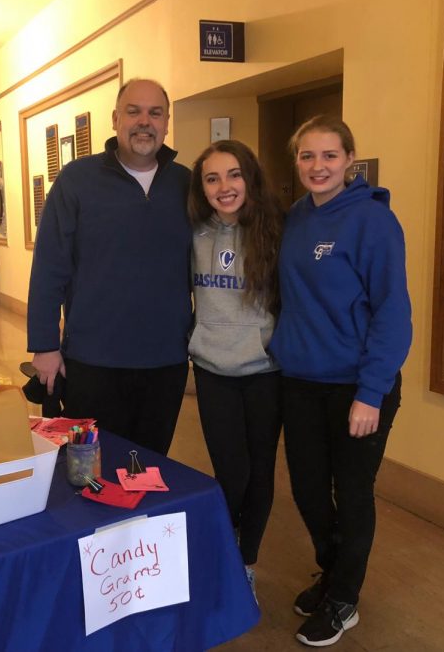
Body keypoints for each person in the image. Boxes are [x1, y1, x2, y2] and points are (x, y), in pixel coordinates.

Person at [269, 115, 412, 647]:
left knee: (351, 494)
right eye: (307, 156)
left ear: (350, 159)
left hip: (357, 386)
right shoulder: (295, 218)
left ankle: (345, 597)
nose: (318, 166)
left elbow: (393, 312)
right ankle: (332, 573)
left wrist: (370, 392)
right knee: (307, 491)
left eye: (329, 155)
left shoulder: (373, 222)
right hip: (300, 380)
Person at [26, 78, 192, 456]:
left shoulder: (186, 184)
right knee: (90, 465)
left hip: (165, 362)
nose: (144, 121)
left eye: (155, 113)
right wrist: (45, 345)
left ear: (166, 122)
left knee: (150, 464)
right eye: (133, 111)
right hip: (92, 360)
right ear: (116, 119)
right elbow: (50, 265)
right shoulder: (76, 180)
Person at [187, 140, 285, 601]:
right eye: (212, 178)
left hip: (265, 371)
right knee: (231, 471)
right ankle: (224, 552)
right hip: (212, 368)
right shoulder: (192, 234)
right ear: (202, 187)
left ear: (250, 177)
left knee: (260, 470)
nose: (224, 187)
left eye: (233, 175)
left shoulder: (277, 232)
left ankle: (246, 561)